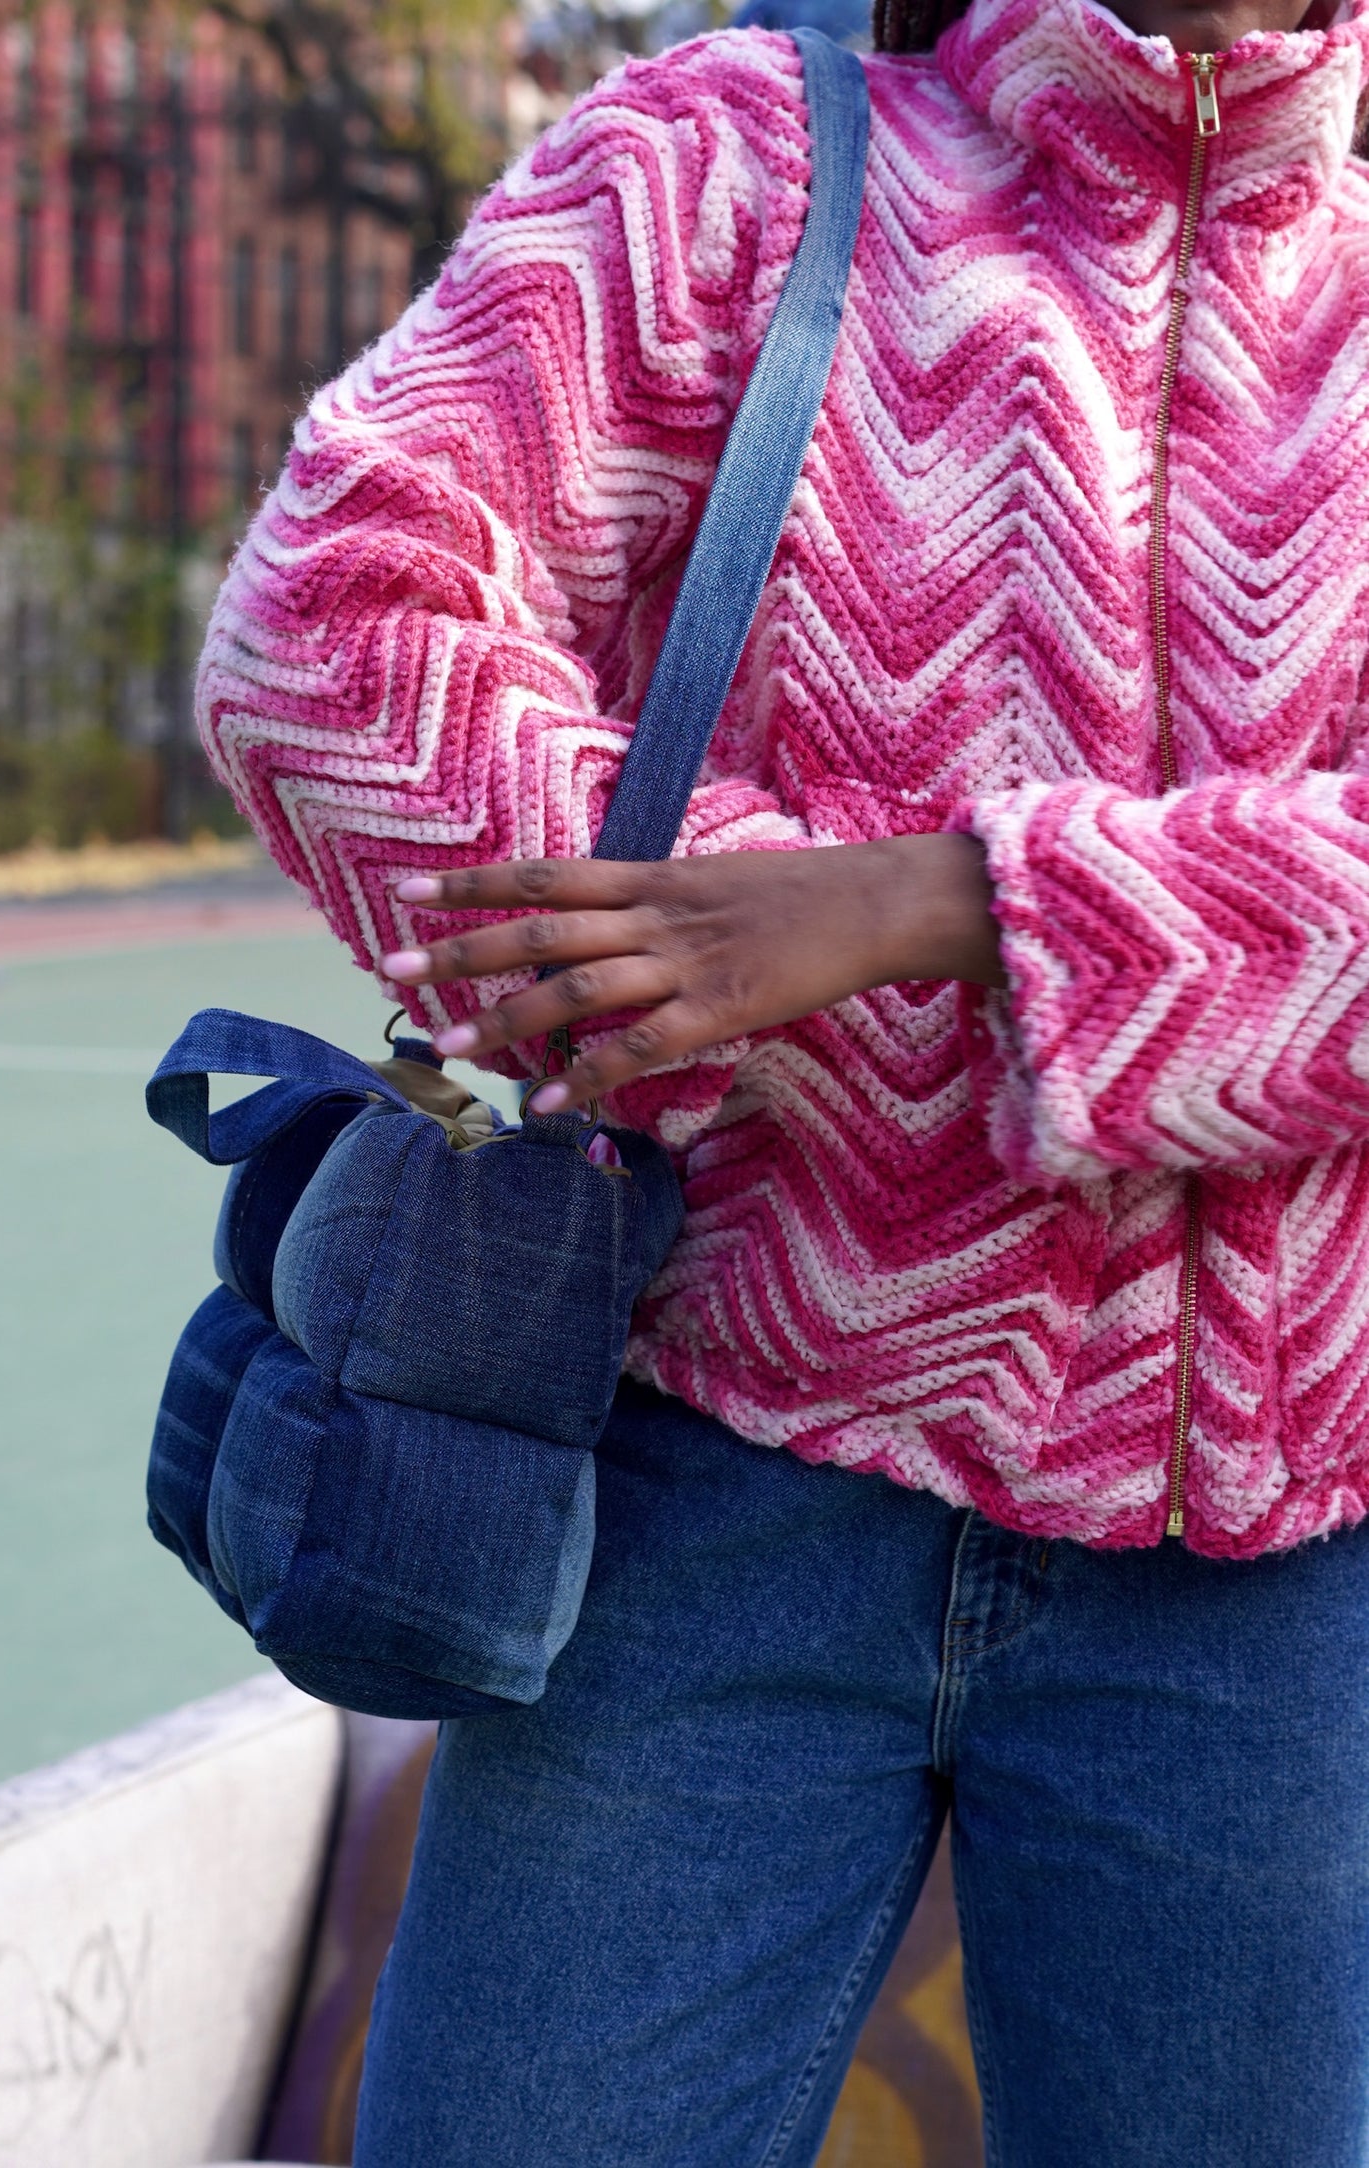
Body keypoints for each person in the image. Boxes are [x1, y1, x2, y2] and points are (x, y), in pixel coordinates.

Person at [196, 0, 1369, 2153]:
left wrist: (942, 904)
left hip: (1274, 1596)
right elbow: (332, 629)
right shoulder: (727, 163)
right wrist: (683, 948)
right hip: (710, 1490)